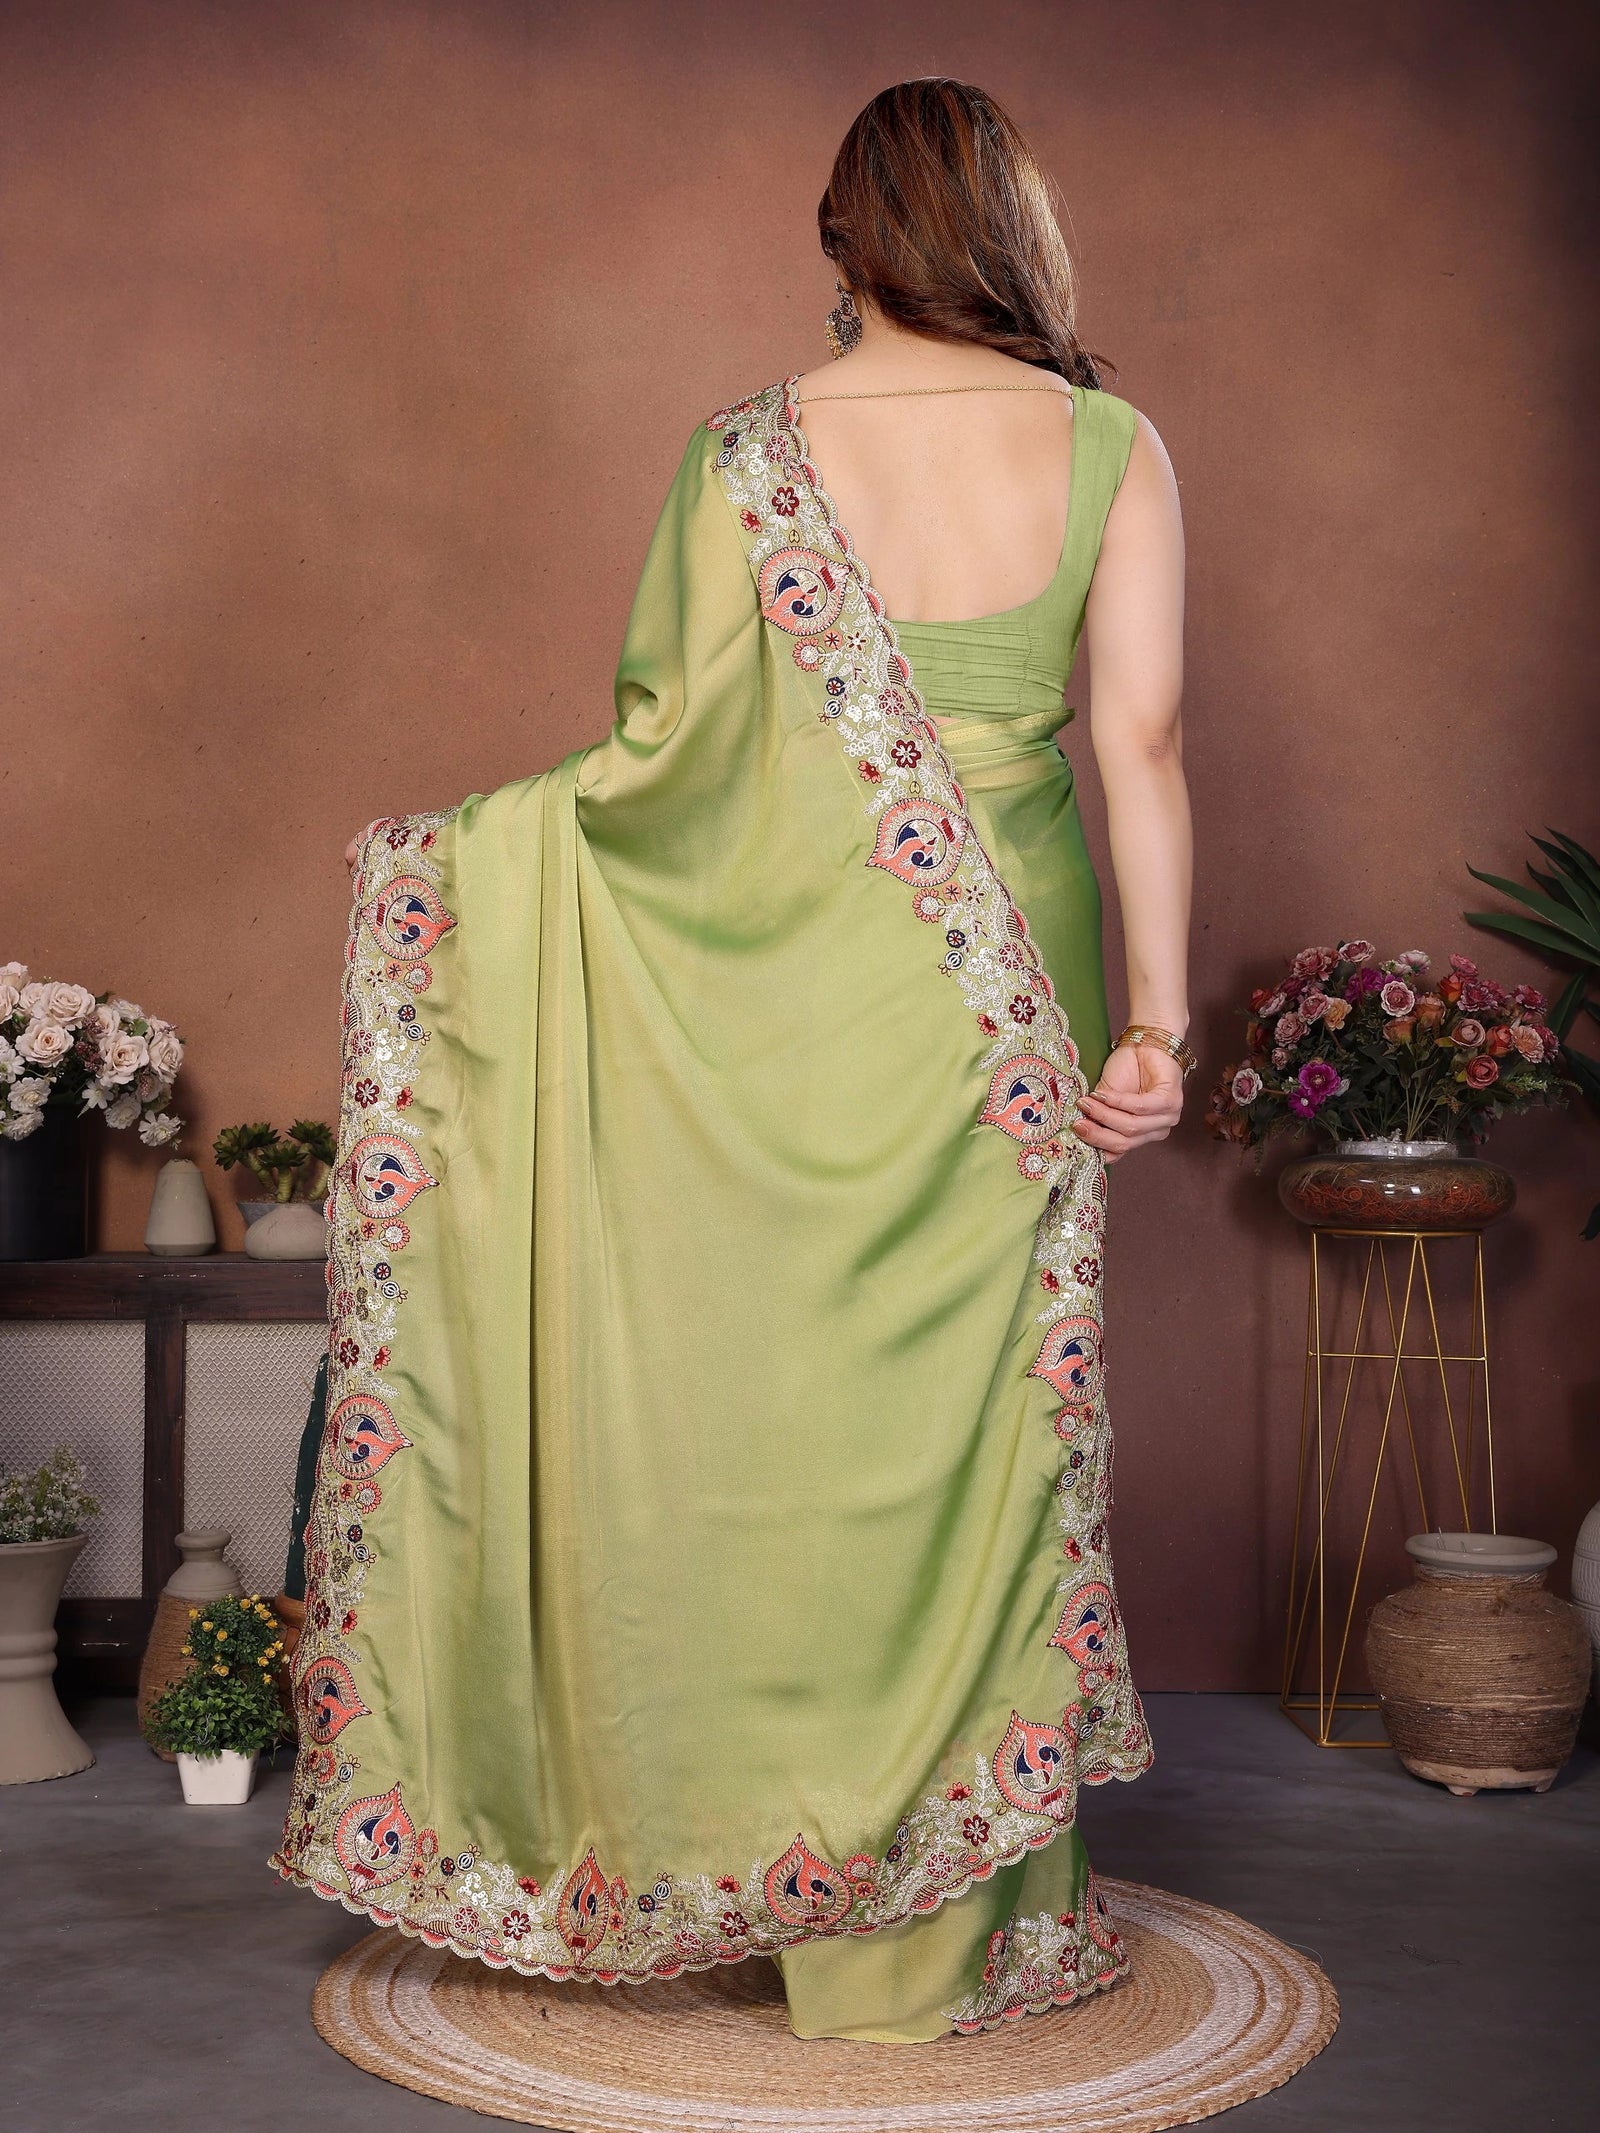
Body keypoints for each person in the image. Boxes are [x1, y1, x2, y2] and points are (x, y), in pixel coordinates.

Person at [274, 78, 1191, 2045]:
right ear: (1006, 232)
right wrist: (1157, 1023)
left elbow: (662, 754)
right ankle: (944, 1921)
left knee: (784, 1407)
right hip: (1005, 975)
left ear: (840, 237)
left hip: (792, 969)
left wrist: (460, 879)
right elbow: (1138, 747)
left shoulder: (747, 452)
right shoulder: (1107, 443)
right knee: (961, 1425)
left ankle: (759, 1854)